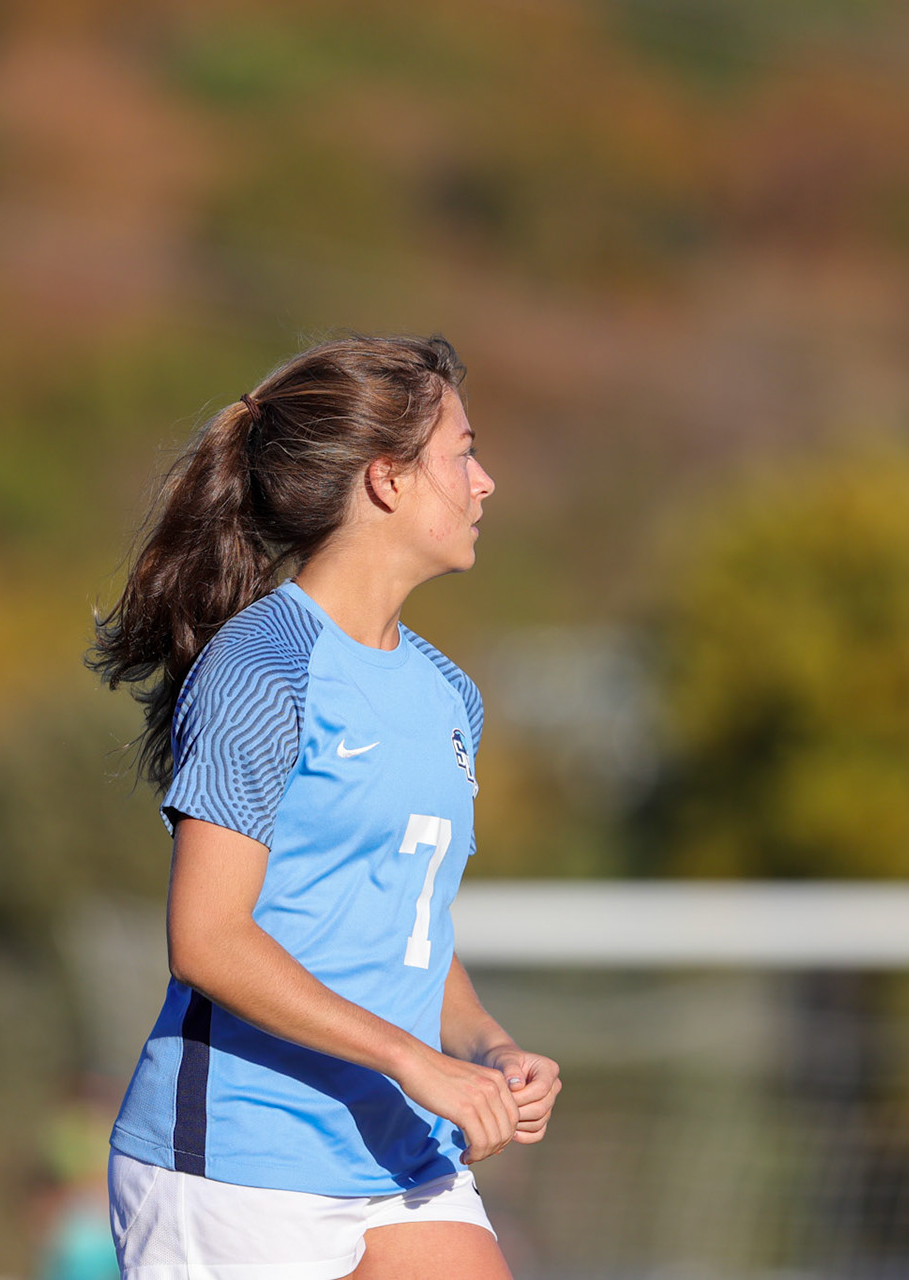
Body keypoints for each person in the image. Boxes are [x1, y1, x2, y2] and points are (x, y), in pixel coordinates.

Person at [89, 334, 560, 1279]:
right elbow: (209, 939)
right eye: (462, 452)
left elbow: (406, 927)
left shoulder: (449, 695)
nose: (486, 481)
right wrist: (411, 1059)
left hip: (397, 1153)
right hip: (234, 1164)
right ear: (386, 480)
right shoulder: (262, 668)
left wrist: (485, 1048)